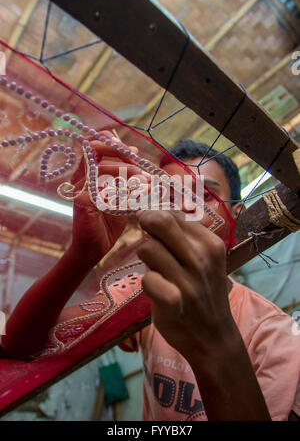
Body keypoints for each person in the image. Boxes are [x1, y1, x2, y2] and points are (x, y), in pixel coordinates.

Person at [1, 136, 300, 421]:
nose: (182, 207)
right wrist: (83, 255)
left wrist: (214, 341)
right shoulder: (141, 293)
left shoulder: (275, 335)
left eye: (204, 195)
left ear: (237, 214)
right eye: (167, 196)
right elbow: (21, 347)